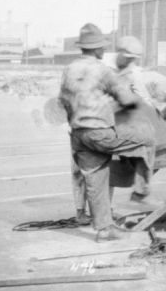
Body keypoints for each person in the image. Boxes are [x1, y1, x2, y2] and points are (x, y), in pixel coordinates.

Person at [59, 23, 155, 242]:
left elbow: (63, 102)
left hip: (78, 135)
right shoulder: (102, 70)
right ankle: (140, 192)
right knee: (148, 137)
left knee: (96, 178)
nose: (105, 50)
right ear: (96, 49)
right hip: (99, 134)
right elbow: (126, 99)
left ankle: (104, 230)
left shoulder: (69, 69)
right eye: (103, 46)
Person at [109, 36, 159, 205]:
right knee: (148, 144)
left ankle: (105, 207)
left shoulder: (113, 73)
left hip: (110, 124)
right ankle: (141, 192)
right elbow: (145, 100)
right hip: (120, 127)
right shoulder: (131, 76)